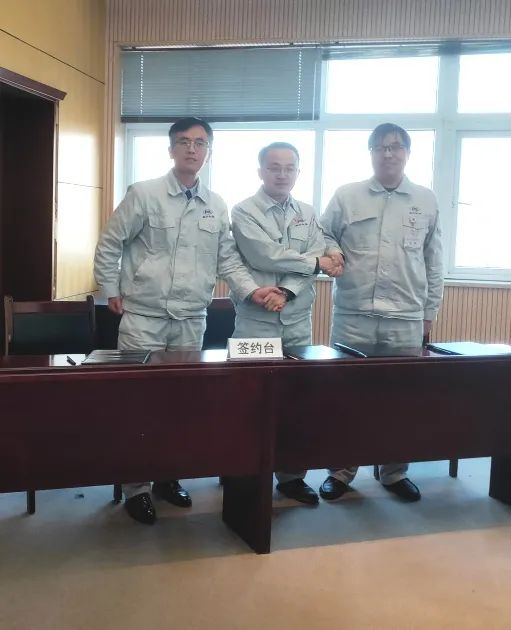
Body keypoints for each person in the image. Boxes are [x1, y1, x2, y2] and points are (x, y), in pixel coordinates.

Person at [94, 117, 279, 525]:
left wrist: (252, 290)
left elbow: (227, 259)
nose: (192, 149)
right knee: (139, 405)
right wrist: (110, 289)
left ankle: (167, 476)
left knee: (179, 403)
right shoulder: (145, 194)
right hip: (144, 317)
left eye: (199, 143)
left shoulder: (216, 204)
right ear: (171, 149)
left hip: (191, 319)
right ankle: (137, 488)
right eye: (184, 142)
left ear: (208, 151)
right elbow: (111, 242)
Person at [319, 122, 444, 503]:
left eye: (395, 147)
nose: (388, 153)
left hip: (405, 317)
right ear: (371, 152)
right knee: (345, 398)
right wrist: (332, 250)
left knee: (400, 400)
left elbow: (434, 259)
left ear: (407, 152)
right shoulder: (347, 195)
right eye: (380, 147)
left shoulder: (426, 199)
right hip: (353, 315)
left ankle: (394, 473)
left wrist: (429, 311)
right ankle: (341, 471)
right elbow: (322, 234)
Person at [230, 141, 343, 505]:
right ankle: (244, 472)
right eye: (274, 167)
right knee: (248, 400)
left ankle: (292, 477)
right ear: (260, 171)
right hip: (255, 322)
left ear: (297, 172)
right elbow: (264, 255)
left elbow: (314, 256)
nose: (282, 174)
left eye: (289, 168)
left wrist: (287, 291)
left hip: (296, 321)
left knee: (296, 401)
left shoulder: (307, 213)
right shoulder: (244, 211)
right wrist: (314, 263)